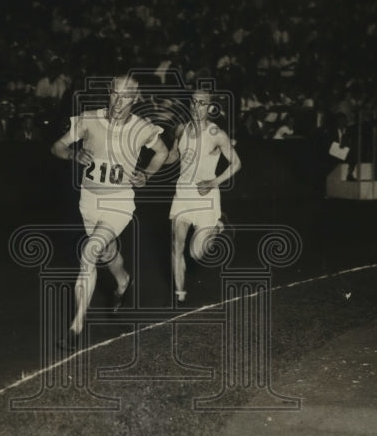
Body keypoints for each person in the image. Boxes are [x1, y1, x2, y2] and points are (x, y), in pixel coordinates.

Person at [51, 75, 169, 342]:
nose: (120, 101)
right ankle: (123, 280)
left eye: (127, 96)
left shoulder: (142, 127)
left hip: (120, 202)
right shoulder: (89, 119)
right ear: (109, 92)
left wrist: (148, 174)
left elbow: (162, 152)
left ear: (136, 99)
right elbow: (57, 146)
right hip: (89, 201)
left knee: (88, 252)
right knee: (105, 251)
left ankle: (76, 327)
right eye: (116, 94)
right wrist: (72, 154)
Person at [167, 90, 242, 307]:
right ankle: (179, 294)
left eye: (202, 103)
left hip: (205, 195)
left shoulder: (216, 133)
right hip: (183, 194)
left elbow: (236, 163)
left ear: (209, 107)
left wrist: (213, 182)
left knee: (197, 252)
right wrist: (158, 156)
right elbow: (173, 156)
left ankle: (219, 227)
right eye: (193, 102)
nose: (196, 107)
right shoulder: (181, 129)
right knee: (176, 245)